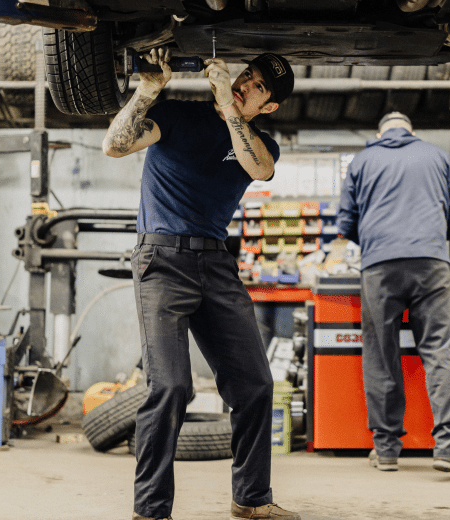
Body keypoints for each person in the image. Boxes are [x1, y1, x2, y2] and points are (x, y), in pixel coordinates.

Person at [102, 48, 301, 520]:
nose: (245, 82)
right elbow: (114, 145)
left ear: (267, 107)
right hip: (161, 259)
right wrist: (148, 91)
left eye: (257, 85)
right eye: (247, 74)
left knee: (255, 385)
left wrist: (231, 110)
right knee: (170, 386)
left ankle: (251, 500)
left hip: (216, 265)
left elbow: (259, 170)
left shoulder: (261, 142)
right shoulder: (174, 115)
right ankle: (150, 511)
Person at [336, 112, 450, 479]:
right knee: (439, 351)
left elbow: (346, 223)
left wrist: (379, 242)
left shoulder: (362, 160)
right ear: (411, 131)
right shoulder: (437, 156)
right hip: (432, 264)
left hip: (379, 269)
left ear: (379, 132)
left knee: (381, 353)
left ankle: (387, 449)